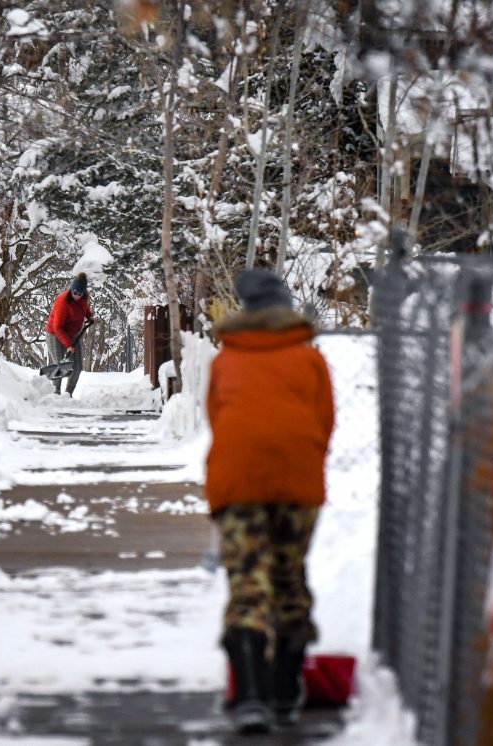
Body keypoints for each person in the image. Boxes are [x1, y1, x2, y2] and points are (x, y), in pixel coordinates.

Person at [205, 268, 335, 735]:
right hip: (297, 483)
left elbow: (218, 418)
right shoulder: (310, 359)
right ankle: (284, 691)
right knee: (288, 577)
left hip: (238, 484)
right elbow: (325, 423)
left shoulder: (226, 360)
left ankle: (251, 699)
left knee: (249, 585)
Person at [45, 272, 94, 396]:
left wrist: (90, 316)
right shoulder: (62, 302)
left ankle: (68, 394)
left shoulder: (83, 299)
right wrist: (68, 345)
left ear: (83, 293)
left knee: (77, 368)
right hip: (55, 334)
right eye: (74, 292)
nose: (76, 295)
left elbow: (84, 308)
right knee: (61, 365)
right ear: (71, 290)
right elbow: (57, 327)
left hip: (73, 334)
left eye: (79, 293)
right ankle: (55, 393)